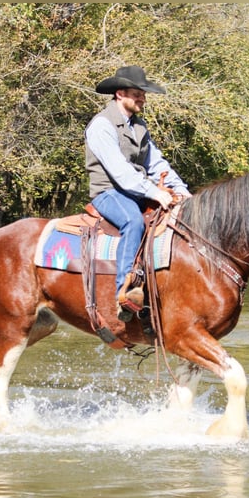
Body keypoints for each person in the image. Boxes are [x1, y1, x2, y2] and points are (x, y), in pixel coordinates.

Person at [85, 66, 191, 322]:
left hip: (136, 191)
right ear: (120, 94)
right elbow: (120, 172)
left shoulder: (139, 127)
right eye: (137, 94)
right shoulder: (101, 125)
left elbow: (157, 165)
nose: (142, 98)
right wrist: (154, 192)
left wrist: (183, 193)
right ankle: (126, 291)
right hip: (108, 192)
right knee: (133, 221)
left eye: (143, 94)